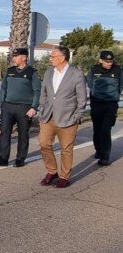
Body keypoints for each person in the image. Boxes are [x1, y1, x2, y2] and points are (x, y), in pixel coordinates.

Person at [37, 45, 87, 188]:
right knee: (43, 143)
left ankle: (64, 176)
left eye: (53, 56)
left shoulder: (76, 74)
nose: (50, 59)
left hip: (68, 118)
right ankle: (52, 171)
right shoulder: (48, 72)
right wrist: (42, 108)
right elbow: (44, 92)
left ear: (62, 58)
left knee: (66, 148)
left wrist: (77, 116)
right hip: (48, 116)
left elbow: (82, 98)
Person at [0, 48, 41, 168]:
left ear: (24, 57)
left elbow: (37, 91)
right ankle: (3, 158)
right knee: (4, 132)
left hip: (24, 108)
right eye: (13, 56)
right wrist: (2, 102)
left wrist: (34, 107)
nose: (13, 58)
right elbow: (3, 87)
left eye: (16, 56)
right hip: (8, 107)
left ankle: (20, 158)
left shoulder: (32, 72)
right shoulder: (9, 71)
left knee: (23, 134)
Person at [86, 50, 123, 166]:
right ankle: (98, 150)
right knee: (97, 130)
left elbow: (120, 86)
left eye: (111, 61)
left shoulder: (118, 71)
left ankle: (105, 156)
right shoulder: (93, 70)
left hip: (110, 105)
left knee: (106, 130)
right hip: (97, 103)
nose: (109, 63)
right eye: (107, 61)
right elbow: (90, 85)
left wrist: (113, 96)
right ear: (100, 60)